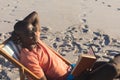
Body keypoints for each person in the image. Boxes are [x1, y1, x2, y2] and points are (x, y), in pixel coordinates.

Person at [11, 11, 120, 80]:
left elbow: (35, 15)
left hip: (73, 69)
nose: (34, 34)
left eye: (34, 30)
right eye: (29, 34)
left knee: (109, 66)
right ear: (21, 39)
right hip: (73, 78)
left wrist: (20, 29)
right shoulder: (29, 58)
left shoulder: (35, 41)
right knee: (111, 69)